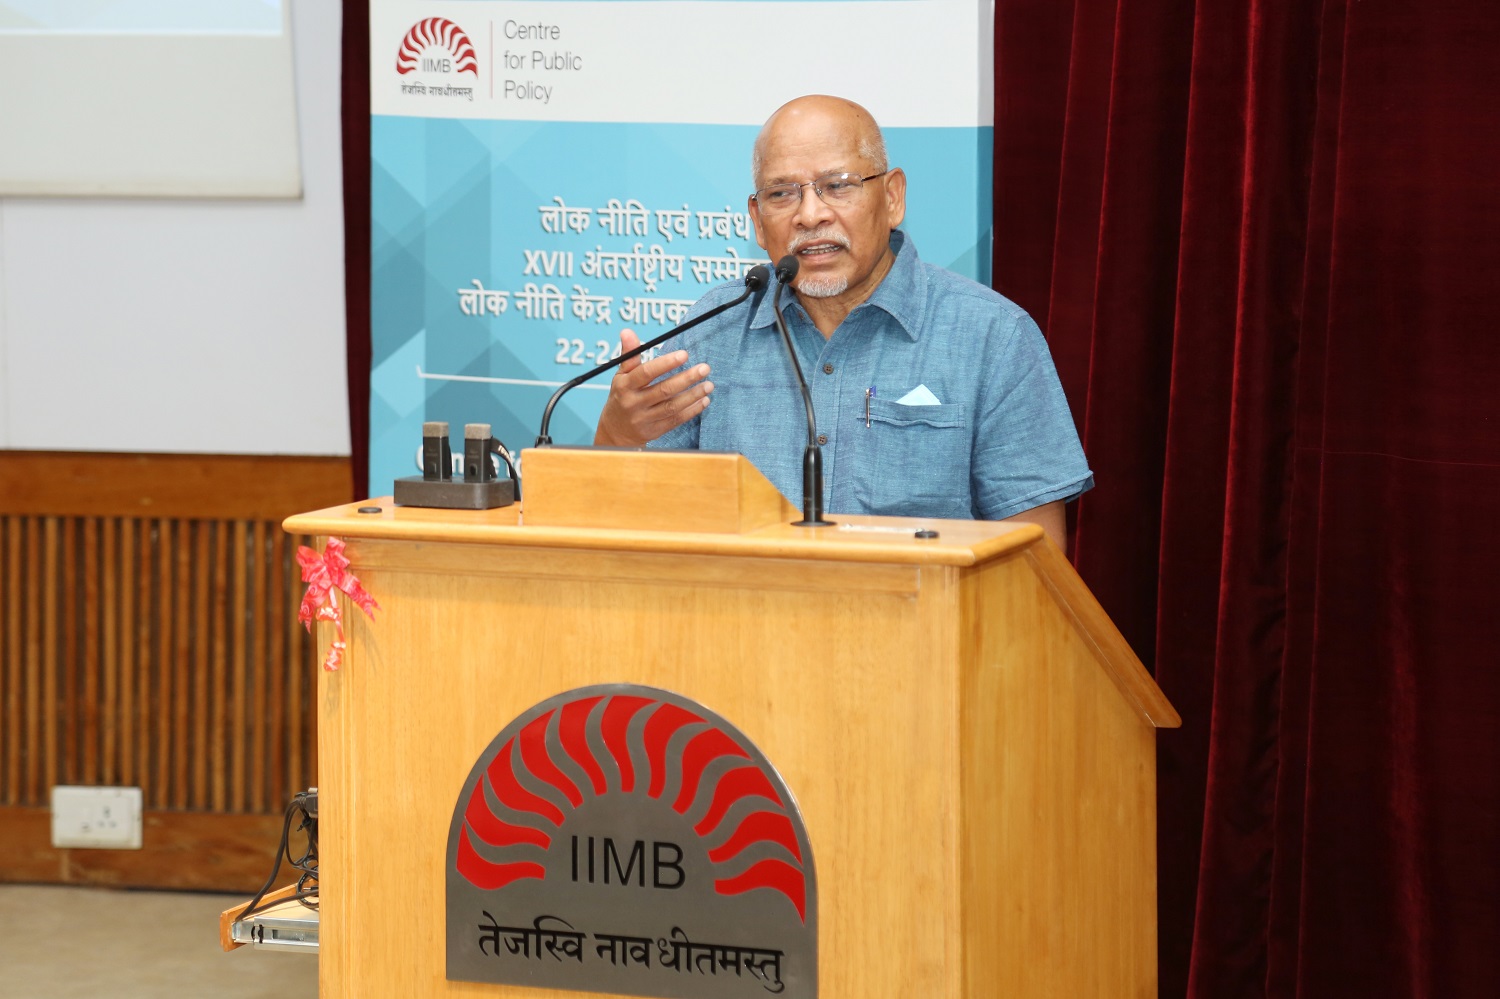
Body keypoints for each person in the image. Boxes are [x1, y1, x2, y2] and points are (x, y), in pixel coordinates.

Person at [594, 95, 1091, 547]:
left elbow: (1038, 562)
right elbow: (628, 529)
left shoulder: (992, 338)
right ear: (756, 218)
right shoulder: (714, 330)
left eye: (837, 186)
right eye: (782, 194)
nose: (811, 215)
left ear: (892, 197)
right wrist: (618, 435)